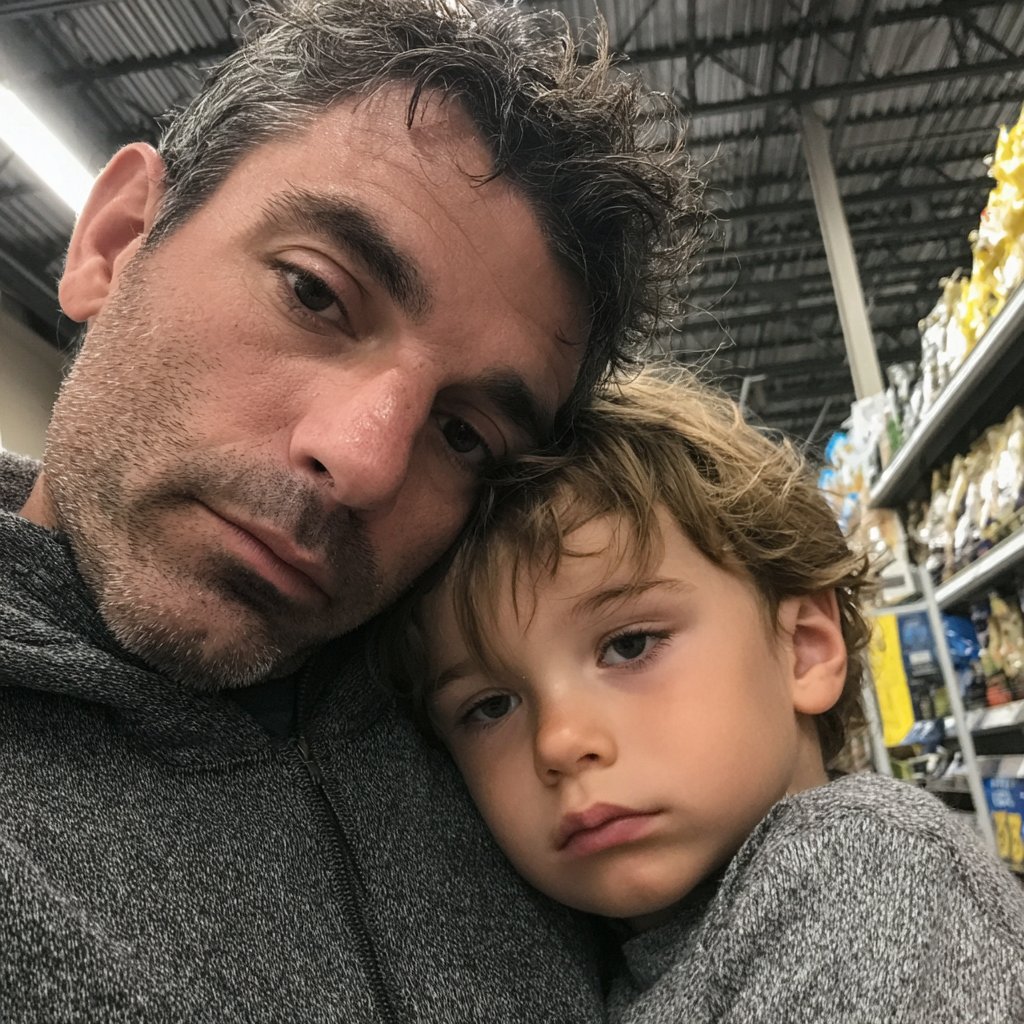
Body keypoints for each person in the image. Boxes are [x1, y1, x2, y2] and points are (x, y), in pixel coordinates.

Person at [0, 0, 704, 1017]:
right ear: (114, 242)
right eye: (316, 294)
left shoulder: (499, 737)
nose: (365, 461)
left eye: (464, 435)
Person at [382, 369, 1024, 1023]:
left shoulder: (864, 867)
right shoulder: (641, 943)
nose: (561, 741)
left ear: (803, 649)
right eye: (490, 706)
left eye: (629, 645)